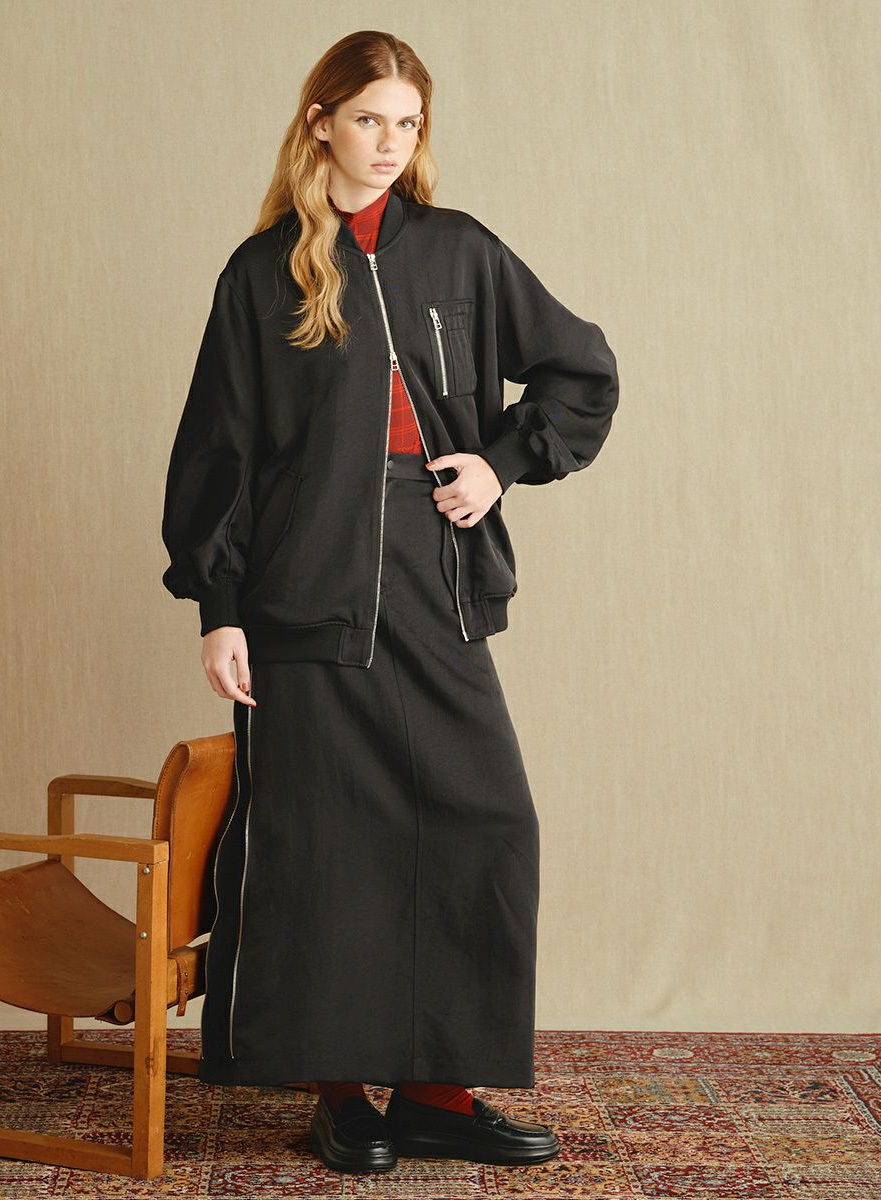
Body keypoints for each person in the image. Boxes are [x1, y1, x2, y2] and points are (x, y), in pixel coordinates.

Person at [161, 29, 619, 1176]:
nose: (388, 144)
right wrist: (220, 607)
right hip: (300, 596)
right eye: (369, 119)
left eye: (407, 125)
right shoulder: (260, 274)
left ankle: (435, 1096)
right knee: (323, 847)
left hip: (434, 579)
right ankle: (340, 1098)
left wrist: (499, 463)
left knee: (486, 821)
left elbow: (580, 370)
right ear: (320, 121)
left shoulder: (457, 251)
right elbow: (218, 454)